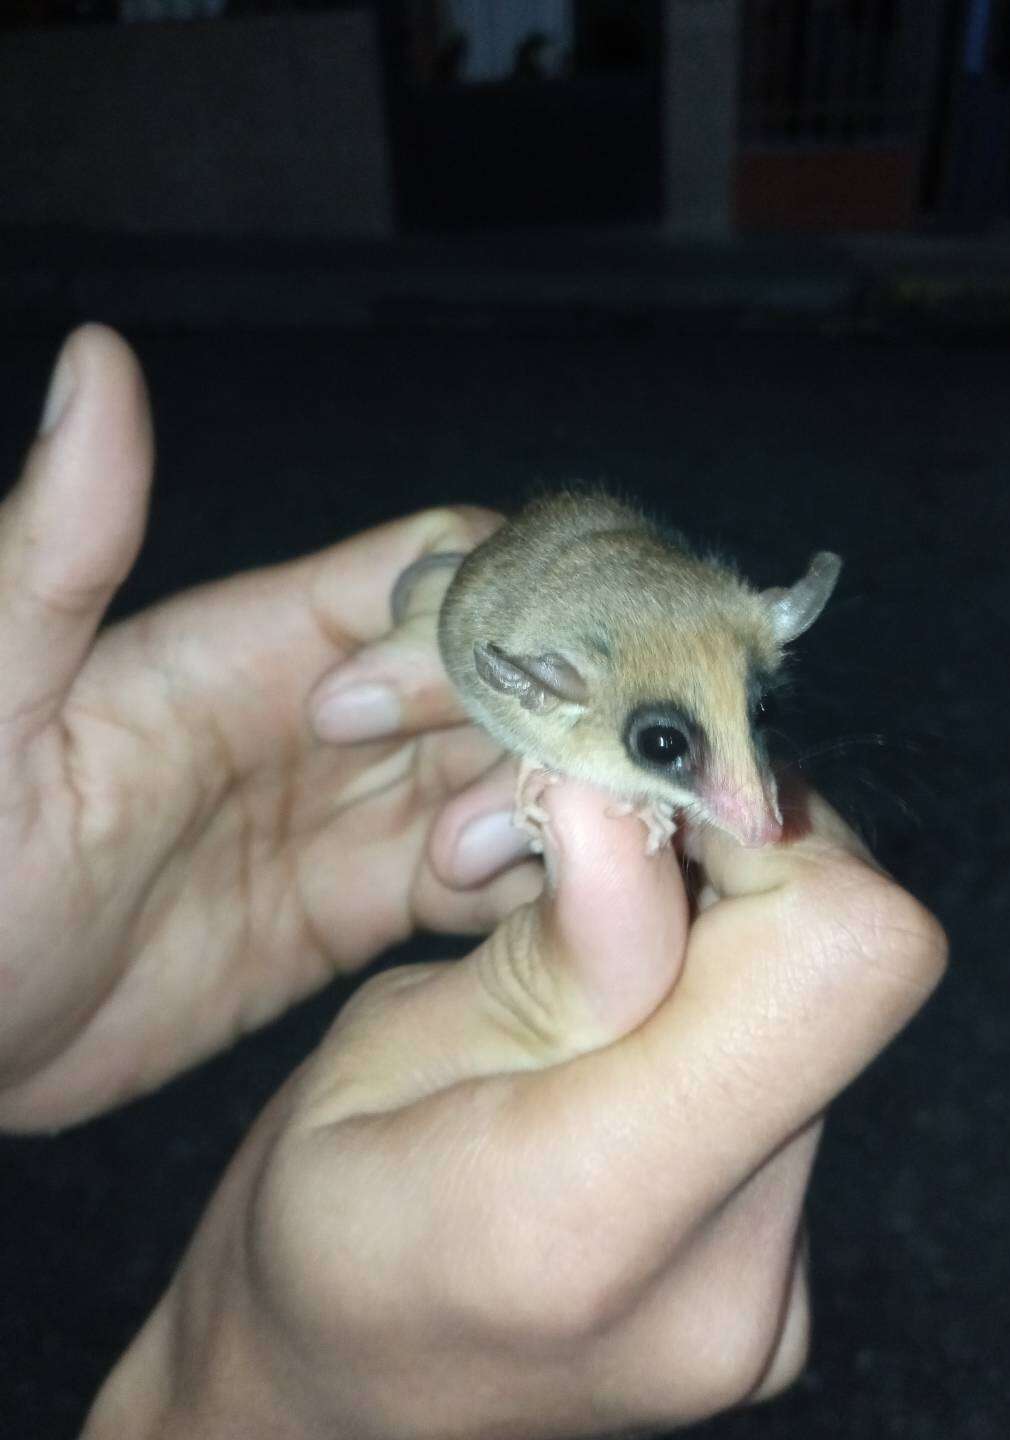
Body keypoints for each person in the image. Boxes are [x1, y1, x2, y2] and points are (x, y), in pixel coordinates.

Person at [0, 326, 946, 1439]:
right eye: (666, 747)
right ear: (562, 701)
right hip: (520, 629)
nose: (757, 807)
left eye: (750, 730)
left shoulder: (678, 643)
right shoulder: (527, 677)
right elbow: (509, 667)